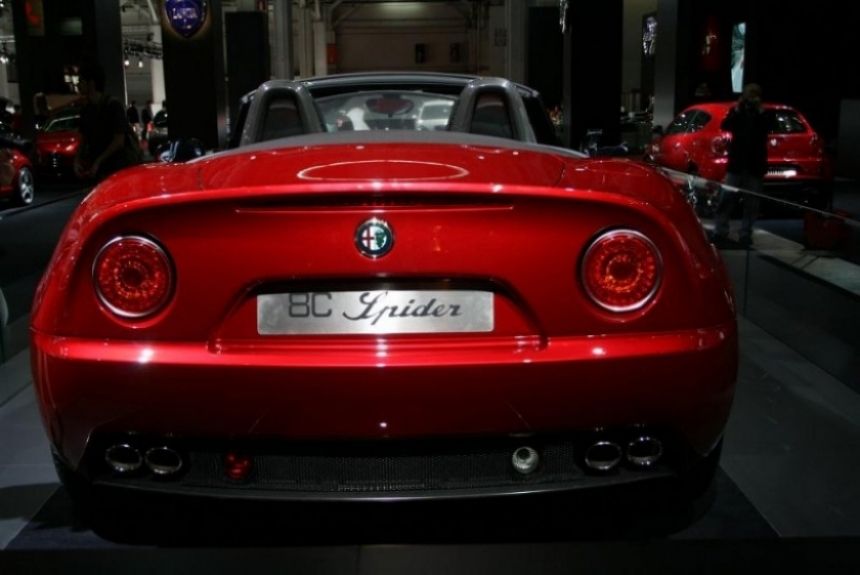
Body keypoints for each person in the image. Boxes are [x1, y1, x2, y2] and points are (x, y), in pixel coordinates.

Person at [712, 83, 769, 248]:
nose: (751, 99)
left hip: (754, 165)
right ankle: (720, 230)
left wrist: (760, 111)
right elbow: (726, 125)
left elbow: (768, 127)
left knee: (752, 203)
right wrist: (738, 108)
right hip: (737, 163)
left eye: (754, 95)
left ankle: (746, 233)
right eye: (749, 95)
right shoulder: (738, 112)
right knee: (726, 198)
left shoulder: (762, 114)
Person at [74, 64, 142, 181]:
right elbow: (84, 138)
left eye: (81, 80)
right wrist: (77, 160)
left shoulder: (112, 105)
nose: (78, 84)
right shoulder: (86, 109)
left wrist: (98, 161)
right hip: (99, 170)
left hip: (117, 168)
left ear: (91, 83)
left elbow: (119, 141)